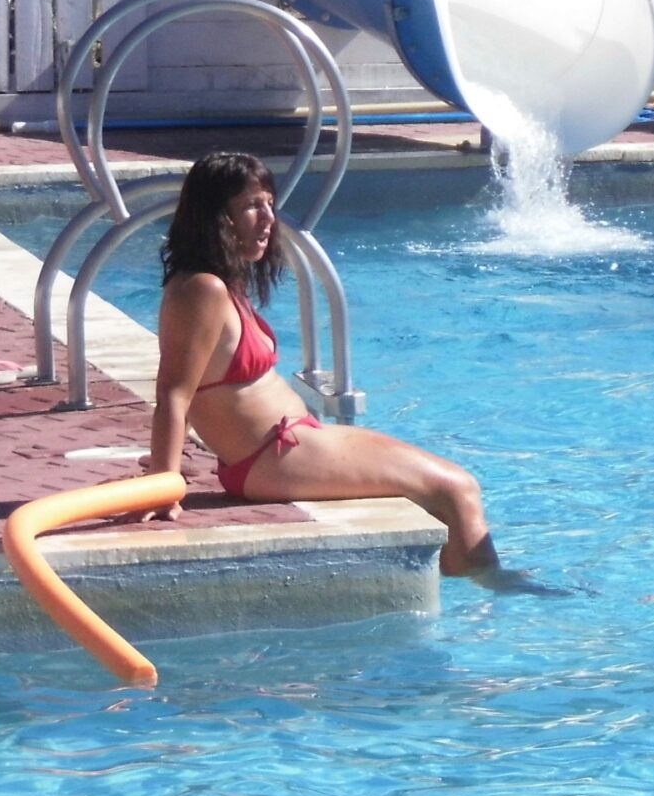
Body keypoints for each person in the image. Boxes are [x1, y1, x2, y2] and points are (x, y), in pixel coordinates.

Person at [140, 151, 507, 580]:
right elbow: (174, 392)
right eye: (252, 206)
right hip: (274, 459)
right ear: (216, 216)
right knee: (456, 489)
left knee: (451, 489)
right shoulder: (201, 291)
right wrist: (163, 484)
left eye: (270, 204)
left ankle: (471, 589)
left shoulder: (217, 284)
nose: (268, 219)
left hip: (288, 447)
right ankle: (496, 603)